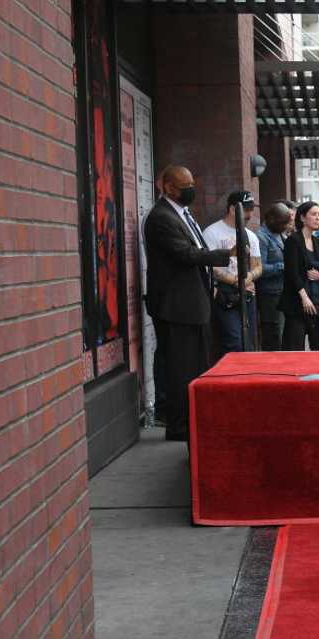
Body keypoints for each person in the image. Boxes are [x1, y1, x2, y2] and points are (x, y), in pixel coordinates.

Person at [143, 165, 233, 442]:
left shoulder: (181, 214)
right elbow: (185, 253)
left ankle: (192, 420)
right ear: (168, 187)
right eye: (185, 186)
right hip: (176, 306)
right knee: (181, 368)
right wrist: (223, 255)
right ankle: (179, 426)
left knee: (195, 366)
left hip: (193, 304)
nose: (191, 189)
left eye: (192, 183)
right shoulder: (161, 217)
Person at [202, 191, 262, 353]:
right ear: (233, 209)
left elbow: (258, 266)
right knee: (233, 341)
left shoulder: (250, 235)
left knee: (248, 342)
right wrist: (236, 281)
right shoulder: (212, 232)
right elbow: (208, 265)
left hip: (247, 293)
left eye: (251, 209)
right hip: (224, 293)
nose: (250, 214)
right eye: (247, 209)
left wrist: (248, 277)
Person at [279, 202, 319, 351]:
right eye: (313, 214)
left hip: (316, 302)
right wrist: (304, 297)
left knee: (318, 346)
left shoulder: (318, 242)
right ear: (303, 218)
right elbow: (292, 272)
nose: (318, 218)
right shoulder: (293, 240)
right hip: (297, 302)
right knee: (294, 347)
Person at [255, 202, 291, 350]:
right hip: (269, 294)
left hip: (282, 291)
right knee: (272, 333)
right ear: (270, 219)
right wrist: (283, 266)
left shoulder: (281, 234)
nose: (285, 226)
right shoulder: (261, 237)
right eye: (282, 222)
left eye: (286, 223)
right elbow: (259, 268)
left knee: (282, 333)